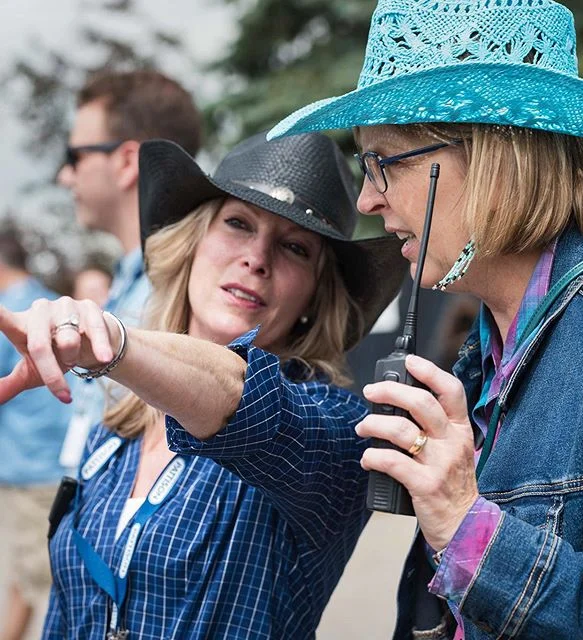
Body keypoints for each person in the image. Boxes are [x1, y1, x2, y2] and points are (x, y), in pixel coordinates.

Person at [268, 0, 583, 638]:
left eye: (386, 160)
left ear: (496, 157)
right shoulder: (490, 348)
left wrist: (468, 526)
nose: (367, 197)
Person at [0, 131, 406, 639]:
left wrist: (112, 344)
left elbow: (242, 398)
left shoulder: (334, 434)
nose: (257, 258)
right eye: (238, 223)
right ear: (192, 242)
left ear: (315, 295)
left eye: (295, 248)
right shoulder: (117, 428)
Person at [56, 69, 202, 473]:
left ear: (125, 162)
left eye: (75, 157)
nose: (64, 176)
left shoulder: (175, 288)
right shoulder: (130, 277)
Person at [0, 224, 72, 640]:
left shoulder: (9, 310)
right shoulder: (46, 303)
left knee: (39, 585)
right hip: (58, 463)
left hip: (27, 467)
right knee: (26, 580)